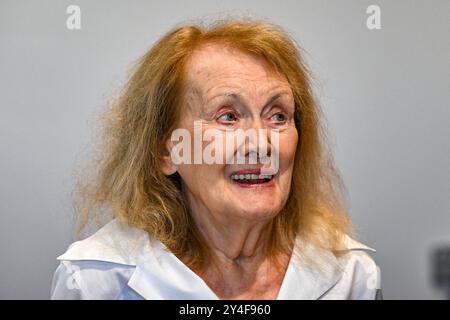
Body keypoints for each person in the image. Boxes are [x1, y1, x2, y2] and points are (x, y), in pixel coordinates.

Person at [50, 19, 382, 300]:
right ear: (167, 152)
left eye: (278, 116)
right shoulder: (95, 281)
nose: (260, 144)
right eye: (227, 117)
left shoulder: (352, 276)